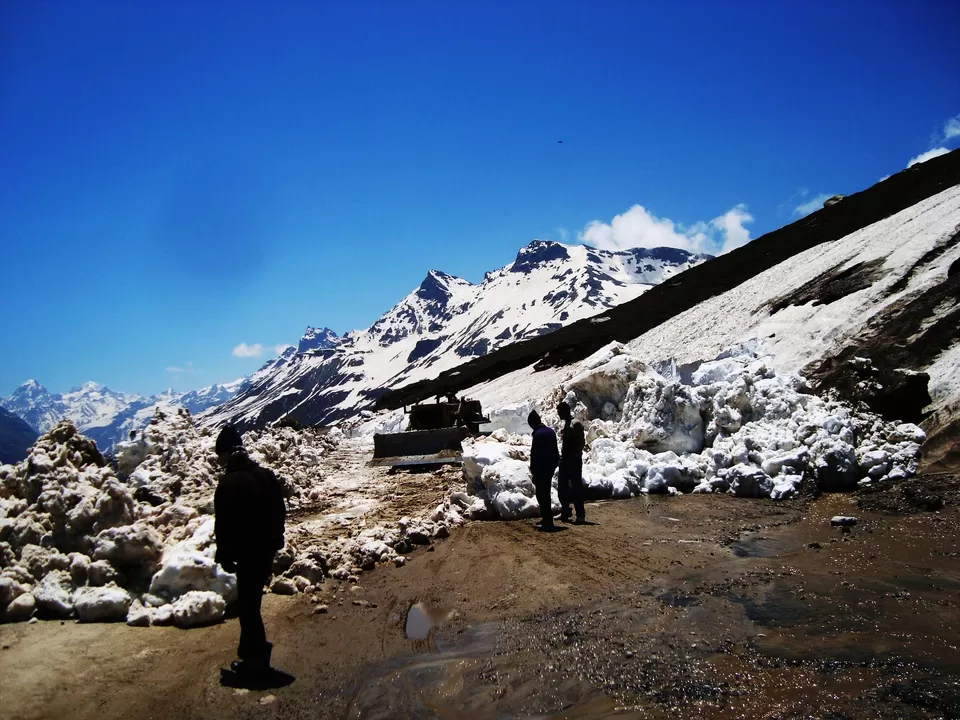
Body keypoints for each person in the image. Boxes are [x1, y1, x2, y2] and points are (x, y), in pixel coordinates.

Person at [214, 425, 287, 676]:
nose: (219, 461)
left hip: (246, 554)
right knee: (252, 603)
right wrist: (277, 539)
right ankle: (253, 654)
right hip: (265, 551)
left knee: (248, 607)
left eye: (220, 456)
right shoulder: (266, 475)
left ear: (227, 454)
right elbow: (279, 510)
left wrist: (224, 554)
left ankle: (256, 662)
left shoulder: (228, 483)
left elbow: (224, 524)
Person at [527, 410, 560, 531]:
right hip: (549, 468)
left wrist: (533, 469)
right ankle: (546, 518)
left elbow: (535, 454)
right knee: (546, 493)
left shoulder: (538, 434)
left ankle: (547, 521)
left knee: (542, 495)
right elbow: (555, 450)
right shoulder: (551, 432)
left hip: (541, 469)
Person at [556, 401, 587, 524]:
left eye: (559, 412)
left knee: (576, 487)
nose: (558, 414)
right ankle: (565, 511)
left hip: (573, 460)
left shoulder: (576, 424)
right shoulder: (567, 424)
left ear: (564, 411)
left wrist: (576, 455)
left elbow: (580, 442)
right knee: (562, 487)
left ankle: (580, 514)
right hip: (566, 460)